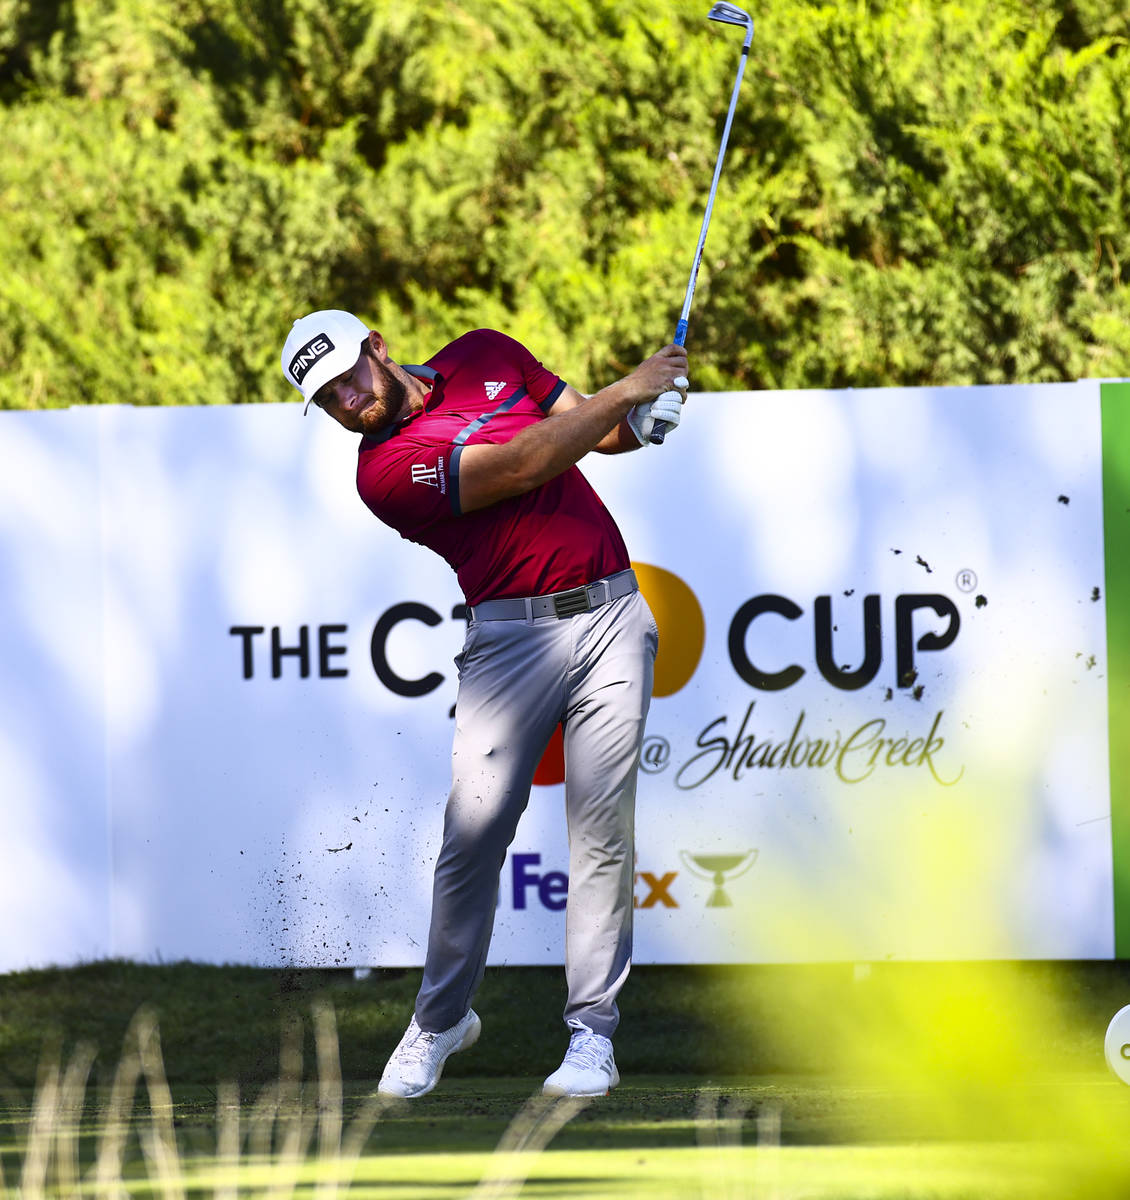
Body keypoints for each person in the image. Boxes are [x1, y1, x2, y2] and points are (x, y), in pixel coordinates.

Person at [280, 310, 688, 1098]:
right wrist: (627, 388)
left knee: (601, 829)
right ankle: (439, 1022)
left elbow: (591, 435)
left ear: (378, 348)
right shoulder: (385, 473)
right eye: (325, 398)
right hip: (510, 640)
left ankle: (590, 1037)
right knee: (473, 835)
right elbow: (523, 465)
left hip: (611, 614)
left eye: (346, 378)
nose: (344, 402)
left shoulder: (485, 354)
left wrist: (644, 419)